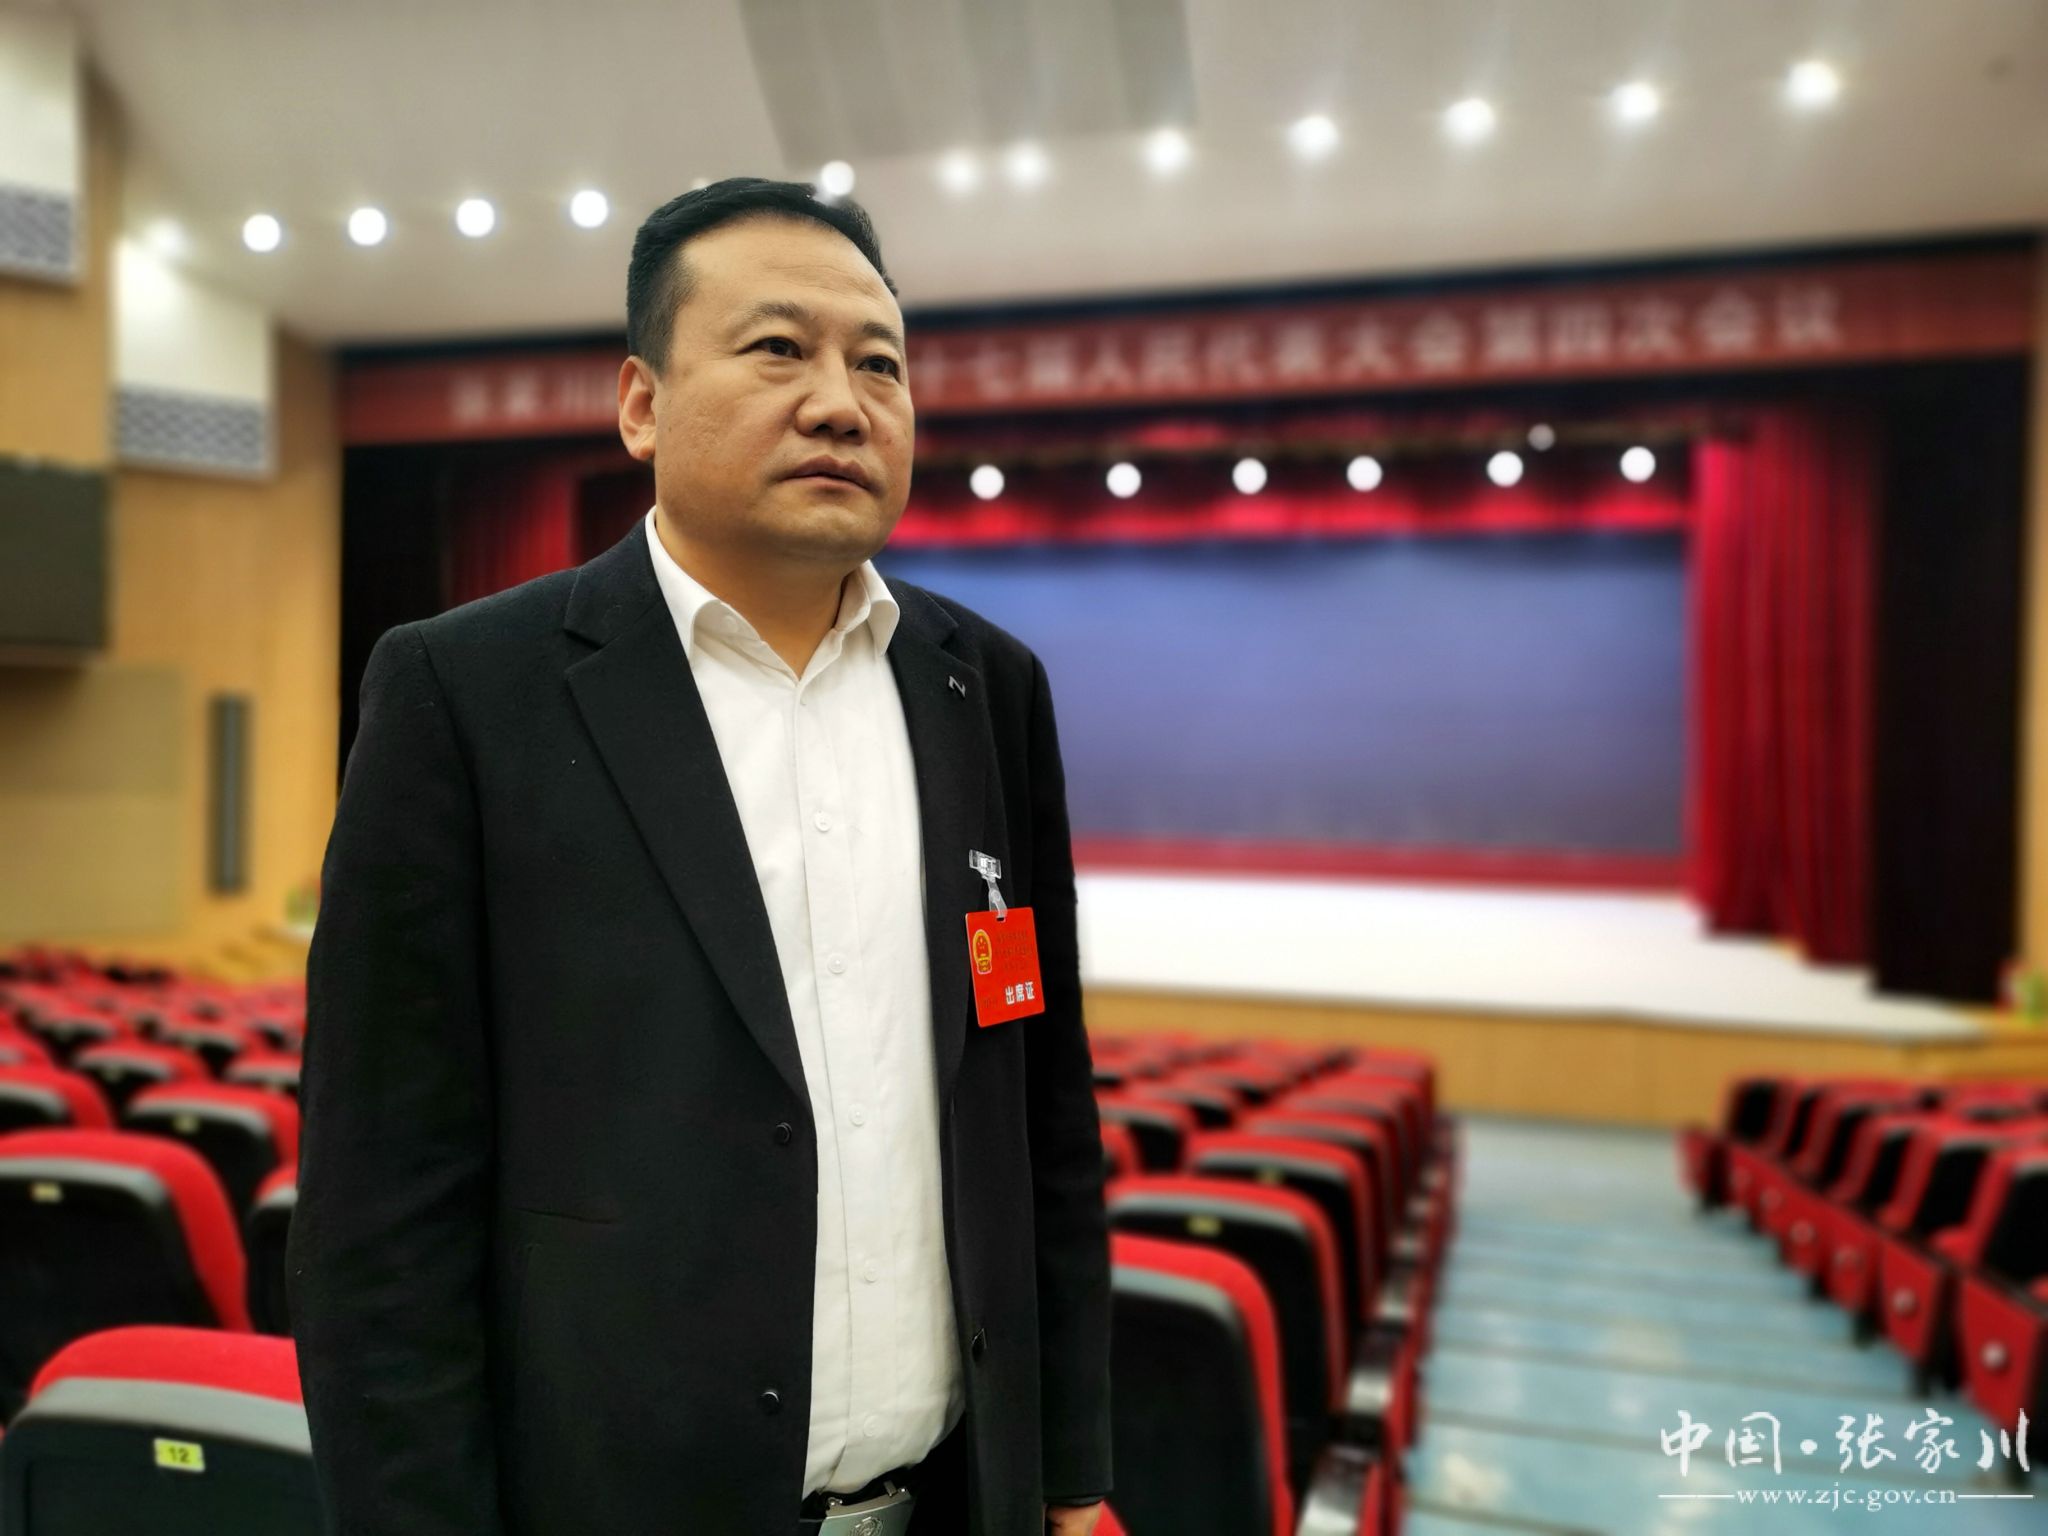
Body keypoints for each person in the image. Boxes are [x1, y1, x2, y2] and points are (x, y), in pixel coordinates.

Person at [288, 178, 1112, 1535]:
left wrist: (1068, 1474)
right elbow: (380, 1206)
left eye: (880, 364)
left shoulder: (987, 688)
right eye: (779, 348)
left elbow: (1041, 1112)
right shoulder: (467, 693)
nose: (842, 402)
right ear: (641, 403)